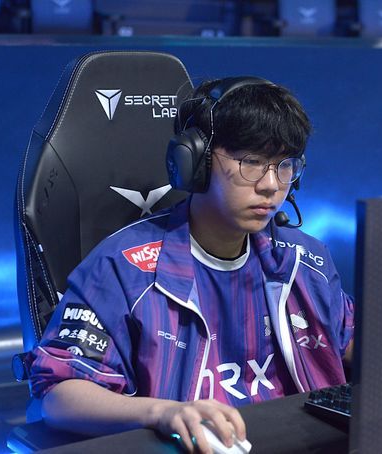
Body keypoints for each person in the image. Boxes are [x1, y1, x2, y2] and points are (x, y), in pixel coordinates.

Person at [27, 77, 354, 453]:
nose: (270, 185)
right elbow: (59, 395)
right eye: (251, 162)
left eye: (284, 166)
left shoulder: (304, 260)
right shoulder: (122, 268)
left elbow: (356, 343)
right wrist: (161, 413)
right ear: (195, 160)